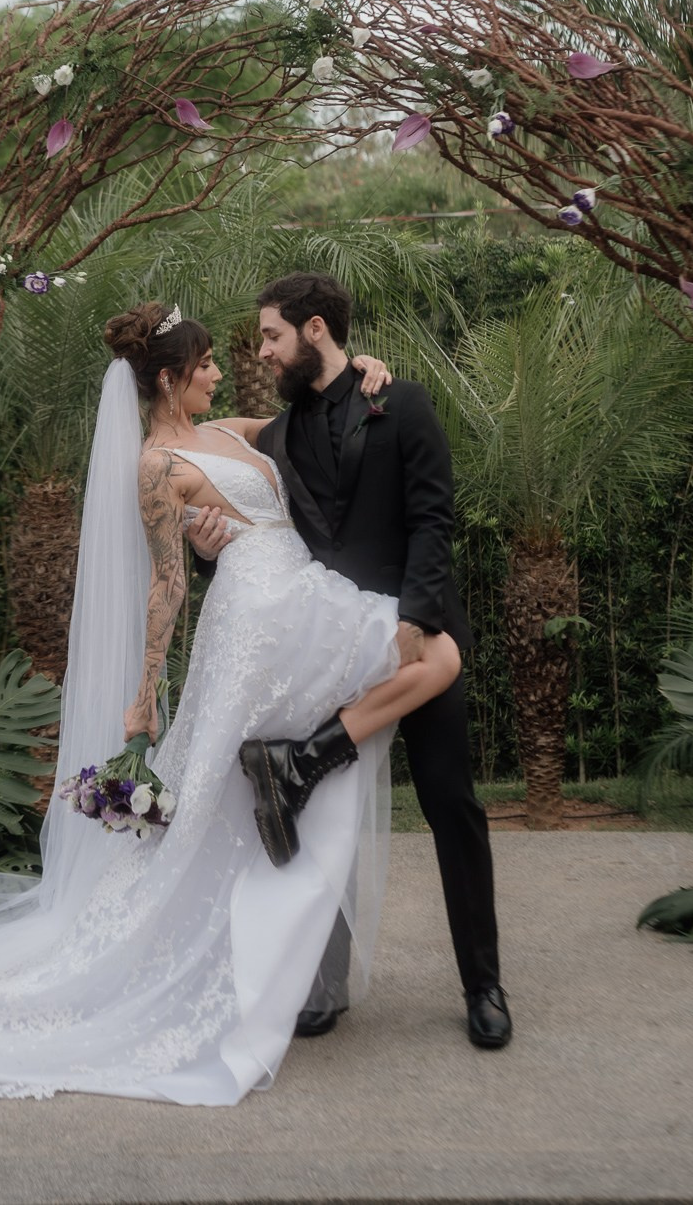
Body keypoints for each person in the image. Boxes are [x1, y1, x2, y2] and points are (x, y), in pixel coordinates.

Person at [0, 302, 459, 1108]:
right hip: (261, 617)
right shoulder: (155, 466)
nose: (216, 372)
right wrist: (144, 696)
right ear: (169, 378)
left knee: (217, 802)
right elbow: (168, 586)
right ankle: (300, 776)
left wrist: (369, 372)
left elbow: (312, 411)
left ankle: (303, 771)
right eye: (202, 363)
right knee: (433, 658)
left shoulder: (232, 427)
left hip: (295, 600)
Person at [188, 273, 511, 1051]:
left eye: (271, 336)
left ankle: (484, 985)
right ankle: (324, 986)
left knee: (450, 804)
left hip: (412, 635)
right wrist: (206, 553)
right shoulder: (278, 437)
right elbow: (246, 514)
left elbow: (435, 517)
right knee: (320, 812)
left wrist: (417, 618)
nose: (261, 351)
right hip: (322, 642)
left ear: (318, 330)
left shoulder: (400, 403)